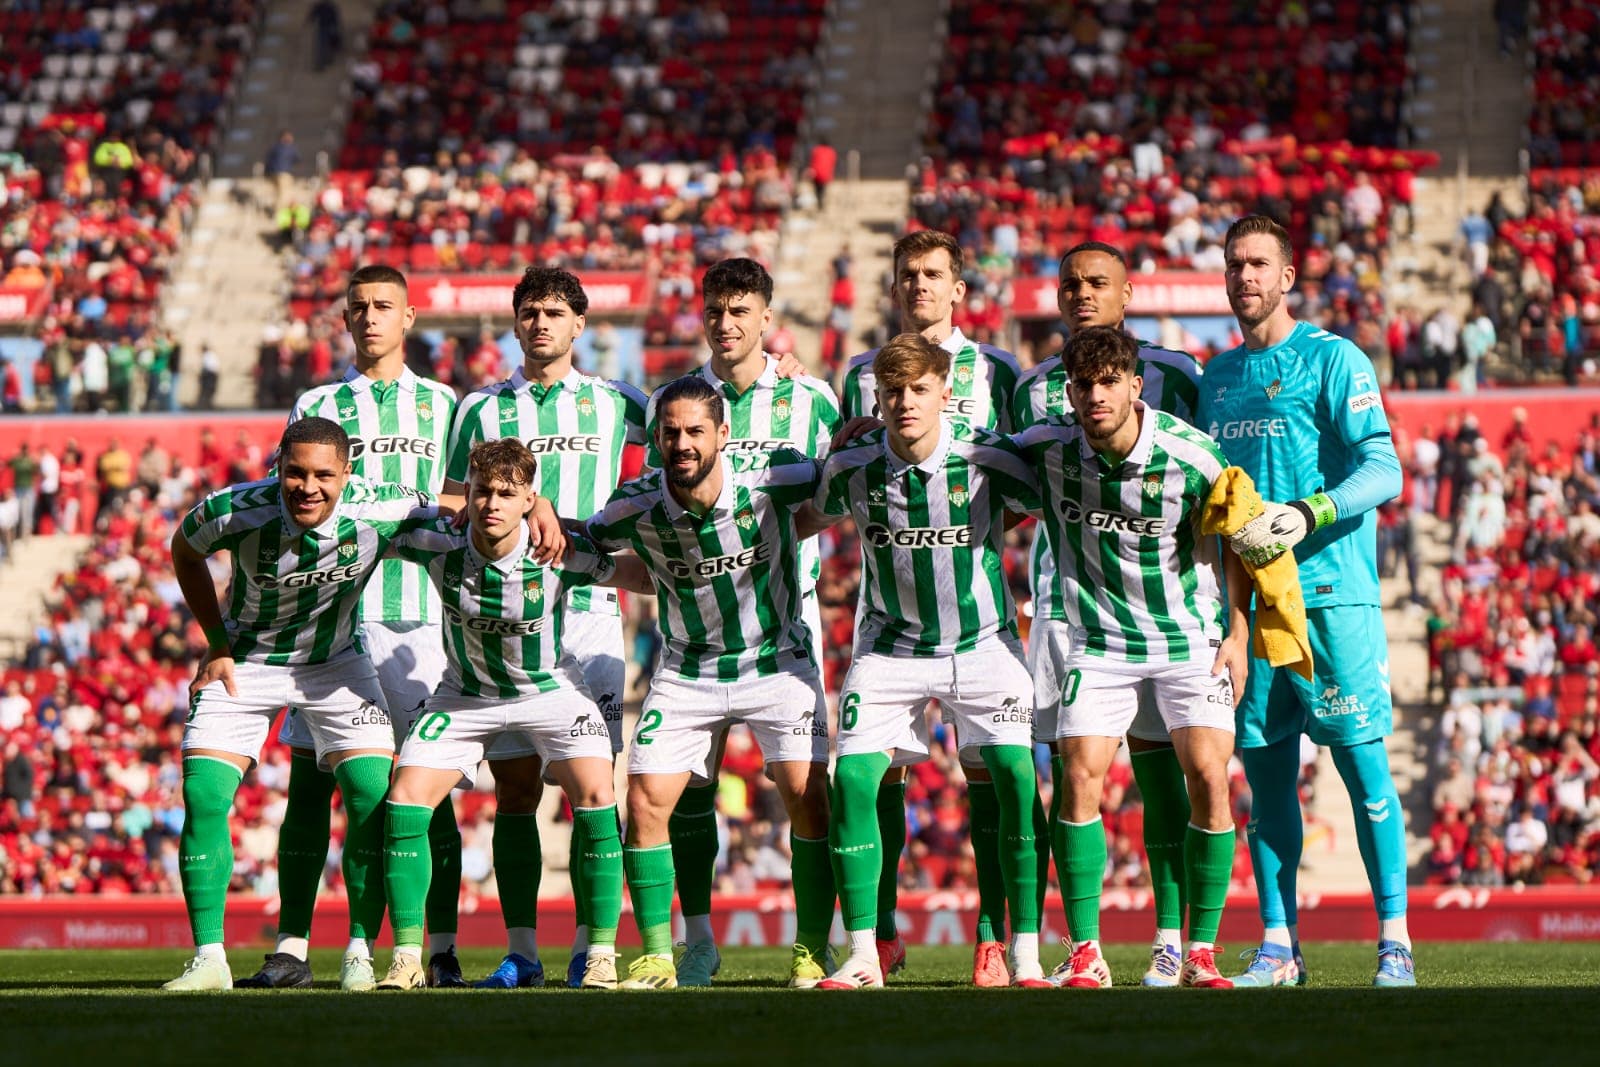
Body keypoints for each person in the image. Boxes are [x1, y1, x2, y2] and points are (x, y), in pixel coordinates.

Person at [1199, 214, 1412, 987]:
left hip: (1331, 599)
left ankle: (1394, 939)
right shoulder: (1214, 379)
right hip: (1253, 618)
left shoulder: (1333, 358)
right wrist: (1228, 620)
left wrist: (1311, 510)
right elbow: (1213, 514)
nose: (1244, 276)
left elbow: (1384, 468)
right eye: (1233, 264)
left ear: (1288, 276)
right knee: (1265, 782)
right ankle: (1280, 945)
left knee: (1362, 770)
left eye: (1258, 263)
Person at [240, 265, 464, 990]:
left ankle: (434, 949)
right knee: (311, 784)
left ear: (409, 317)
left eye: (384, 306)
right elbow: (294, 501)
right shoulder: (317, 402)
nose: (370, 317)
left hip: (422, 620)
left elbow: (462, 498)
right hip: (334, 621)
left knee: (428, 793)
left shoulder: (444, 404)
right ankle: (294, 946)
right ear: (345, 318)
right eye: (359, 307)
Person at [161, 418, 441, 992]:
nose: (306, 487)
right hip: (248, 660)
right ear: (277, 467)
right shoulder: (235, 509)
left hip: (336, 661)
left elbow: (455, 508)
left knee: (370, 795)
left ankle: (360, 952)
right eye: (294, 472)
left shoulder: (382, 505)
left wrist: (533, 508)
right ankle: (209, 958)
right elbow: (184, 550)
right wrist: (215, 643)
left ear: (347, 474)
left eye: (321, 476)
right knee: (203, 792)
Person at [1015, 325, 1250, 990]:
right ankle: (1084, 948)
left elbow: (1237, 535)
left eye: (1109, 382)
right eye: (1083, 384)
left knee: (1207, 776)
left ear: (1135, 386)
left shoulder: (1193, 455)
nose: (1095, 395)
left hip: (1187, 640)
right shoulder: (1048, 449)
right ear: (1070, 390)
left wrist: (1238, 632)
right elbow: (961, 457)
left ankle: (1199, 950)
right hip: (1100, 642)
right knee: (1078, 775)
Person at [809, 333, 1044, 989]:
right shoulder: (854, 463)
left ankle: (1023, 949)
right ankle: (861, 954)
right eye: (892, 391)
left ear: (946, 391)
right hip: (890, 648)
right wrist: (830, 451)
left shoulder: (988, 457)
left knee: (1016, 779)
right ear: (876, 397)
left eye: (917, 389)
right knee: (852, 780)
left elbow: (1040, 504)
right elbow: (811, 507)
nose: (904, 401)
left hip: (983, 643)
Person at [586, 375, 834, 991]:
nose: (682, 443)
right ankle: (658, 956)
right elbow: (581, 540)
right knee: (644, 801)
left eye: (695, 430)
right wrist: (538, 513)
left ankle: (811, 948)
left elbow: (841, 484)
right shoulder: (634, 504)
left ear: (723, 434)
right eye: (670, 432)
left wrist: (861, 439)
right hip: (689, 668)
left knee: (808, 796)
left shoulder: (774, 479)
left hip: (776, 659)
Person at [373, 438, 647, 990]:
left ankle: (598, 954)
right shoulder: (435, 541)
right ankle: (405, 958)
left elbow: (633, 575)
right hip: (464, 694)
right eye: (481, 492)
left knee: (597, 794)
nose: (491, 504)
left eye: (506, 493)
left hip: (552, 691)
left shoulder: (555, 549)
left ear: (529, 500)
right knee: (404, 800)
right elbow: (372, 518)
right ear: (466, 495)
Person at [444, 266, 648, 988]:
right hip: (502, 619)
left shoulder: (620, 402)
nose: (540, 323)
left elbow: (696, 438)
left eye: (555, 312)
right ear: (514, 322)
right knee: (518, 789)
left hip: (588, 612)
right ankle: (523, 951)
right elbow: (448, 494)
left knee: (596, 788)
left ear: (580, 325)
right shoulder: (479, 410)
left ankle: (598, 948)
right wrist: (521, 504)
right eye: (529, 311)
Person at [641, 257, 840, 988]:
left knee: (803, 788)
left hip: (786, 616)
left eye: (740, 311)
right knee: (688, 787)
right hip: (692, 619)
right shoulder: (671, 402)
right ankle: (695, 941)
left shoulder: (809, 397)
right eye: (715, 311)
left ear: (765, 316)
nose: (726, 325)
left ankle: (816, 941)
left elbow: (833, 495)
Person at [837, 228, 1022, 984]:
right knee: (875, 774)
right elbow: (845, 460)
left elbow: (1019, 471)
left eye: (933, 274)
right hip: (888, 608)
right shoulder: (858, 373)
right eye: (907, 274)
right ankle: (878, 934)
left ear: (958, 290)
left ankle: (991, 934)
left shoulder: (998, 371)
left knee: (987, 771)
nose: (919, 285)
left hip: (974, 603)